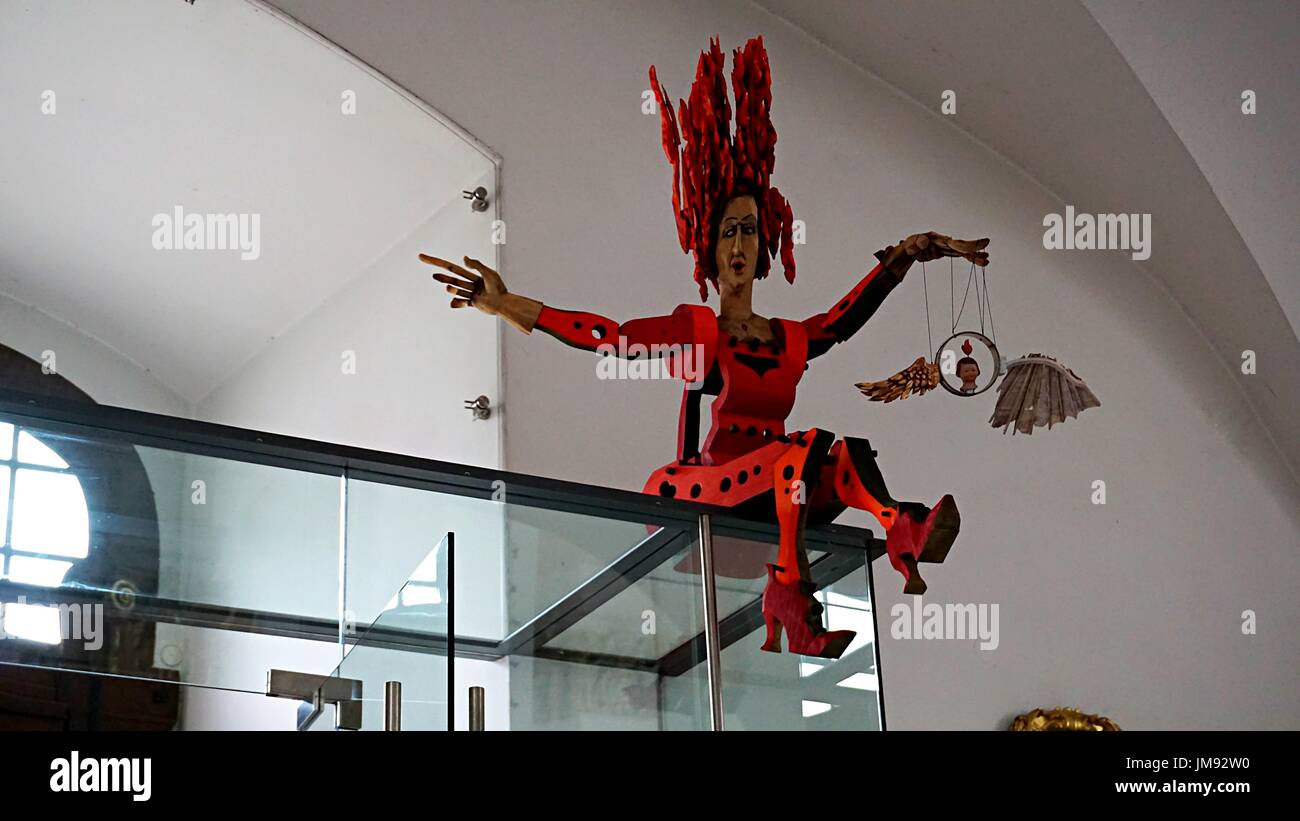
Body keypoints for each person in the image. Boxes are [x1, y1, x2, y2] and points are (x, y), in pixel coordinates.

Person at [422, 37, 989, 659]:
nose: (740, 244)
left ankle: (900, 529)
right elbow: (605, 335)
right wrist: (507, 304)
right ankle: (791, 598)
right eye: (728, 232)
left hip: (775, 482)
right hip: (698, 483)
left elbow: (841, 321)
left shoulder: (785, 337)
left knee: (844, 452)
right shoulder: (697, 329)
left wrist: (903, 257)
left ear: (765, 241)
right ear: (708, 247)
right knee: (804, 450)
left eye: (749, 229)